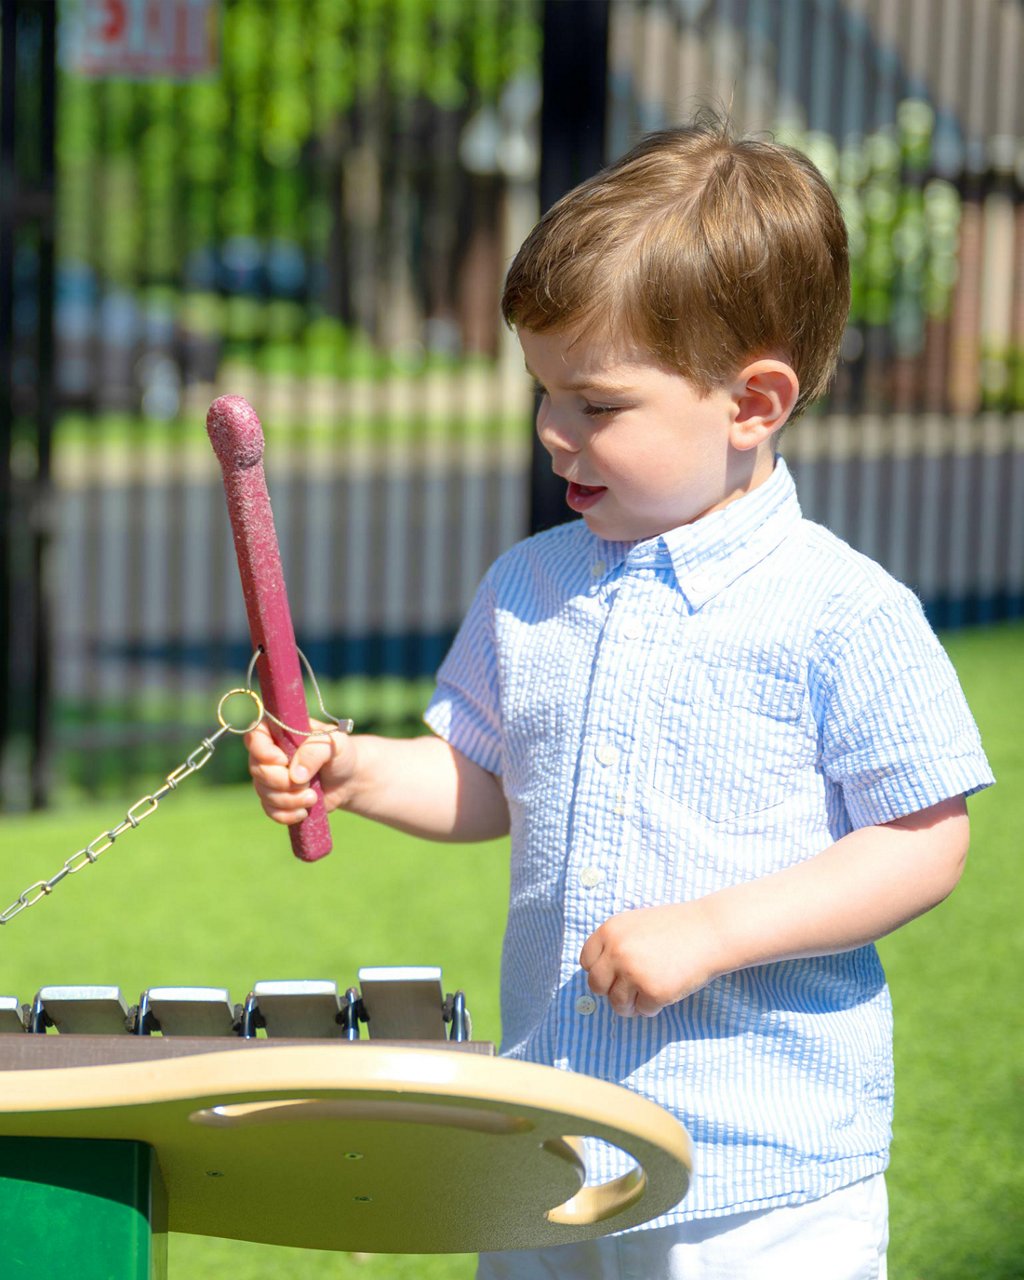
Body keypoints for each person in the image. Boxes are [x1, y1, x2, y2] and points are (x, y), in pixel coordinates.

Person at [245, 117, 994, 1279]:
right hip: (547, 1151)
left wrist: (711, 931)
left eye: (596, 404)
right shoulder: (527, 584)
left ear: (753, 402)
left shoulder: (841, 609)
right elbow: (487, 779)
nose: (554, 432)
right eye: (544, 392)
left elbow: (922, 839)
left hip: (758, 1171)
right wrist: (356, 766)